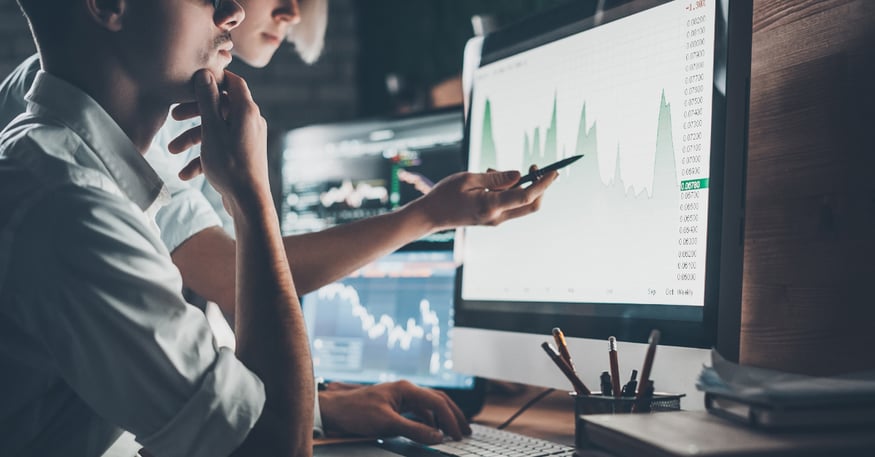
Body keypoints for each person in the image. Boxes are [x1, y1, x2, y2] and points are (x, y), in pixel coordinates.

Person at [0, 0, 559, 449]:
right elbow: (272, 447)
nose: (233, 14)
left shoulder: (81, 164)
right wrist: (250, 194)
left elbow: (165, 367)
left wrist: (320, 408)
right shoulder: (72, 208)